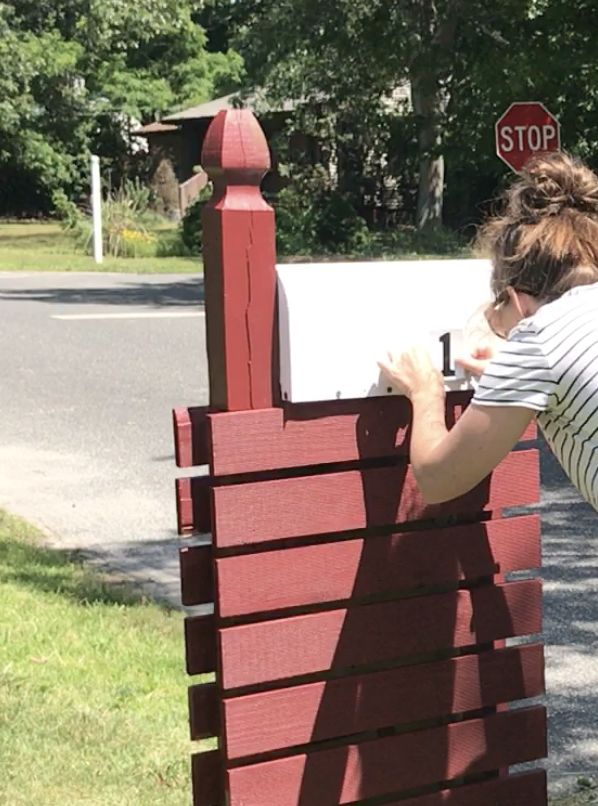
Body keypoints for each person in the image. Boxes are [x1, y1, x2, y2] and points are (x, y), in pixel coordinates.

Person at [378, 151, 598, 512]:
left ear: (514, 297)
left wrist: (426, 393)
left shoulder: (539, 338)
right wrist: (515, 373)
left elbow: (437, 480)